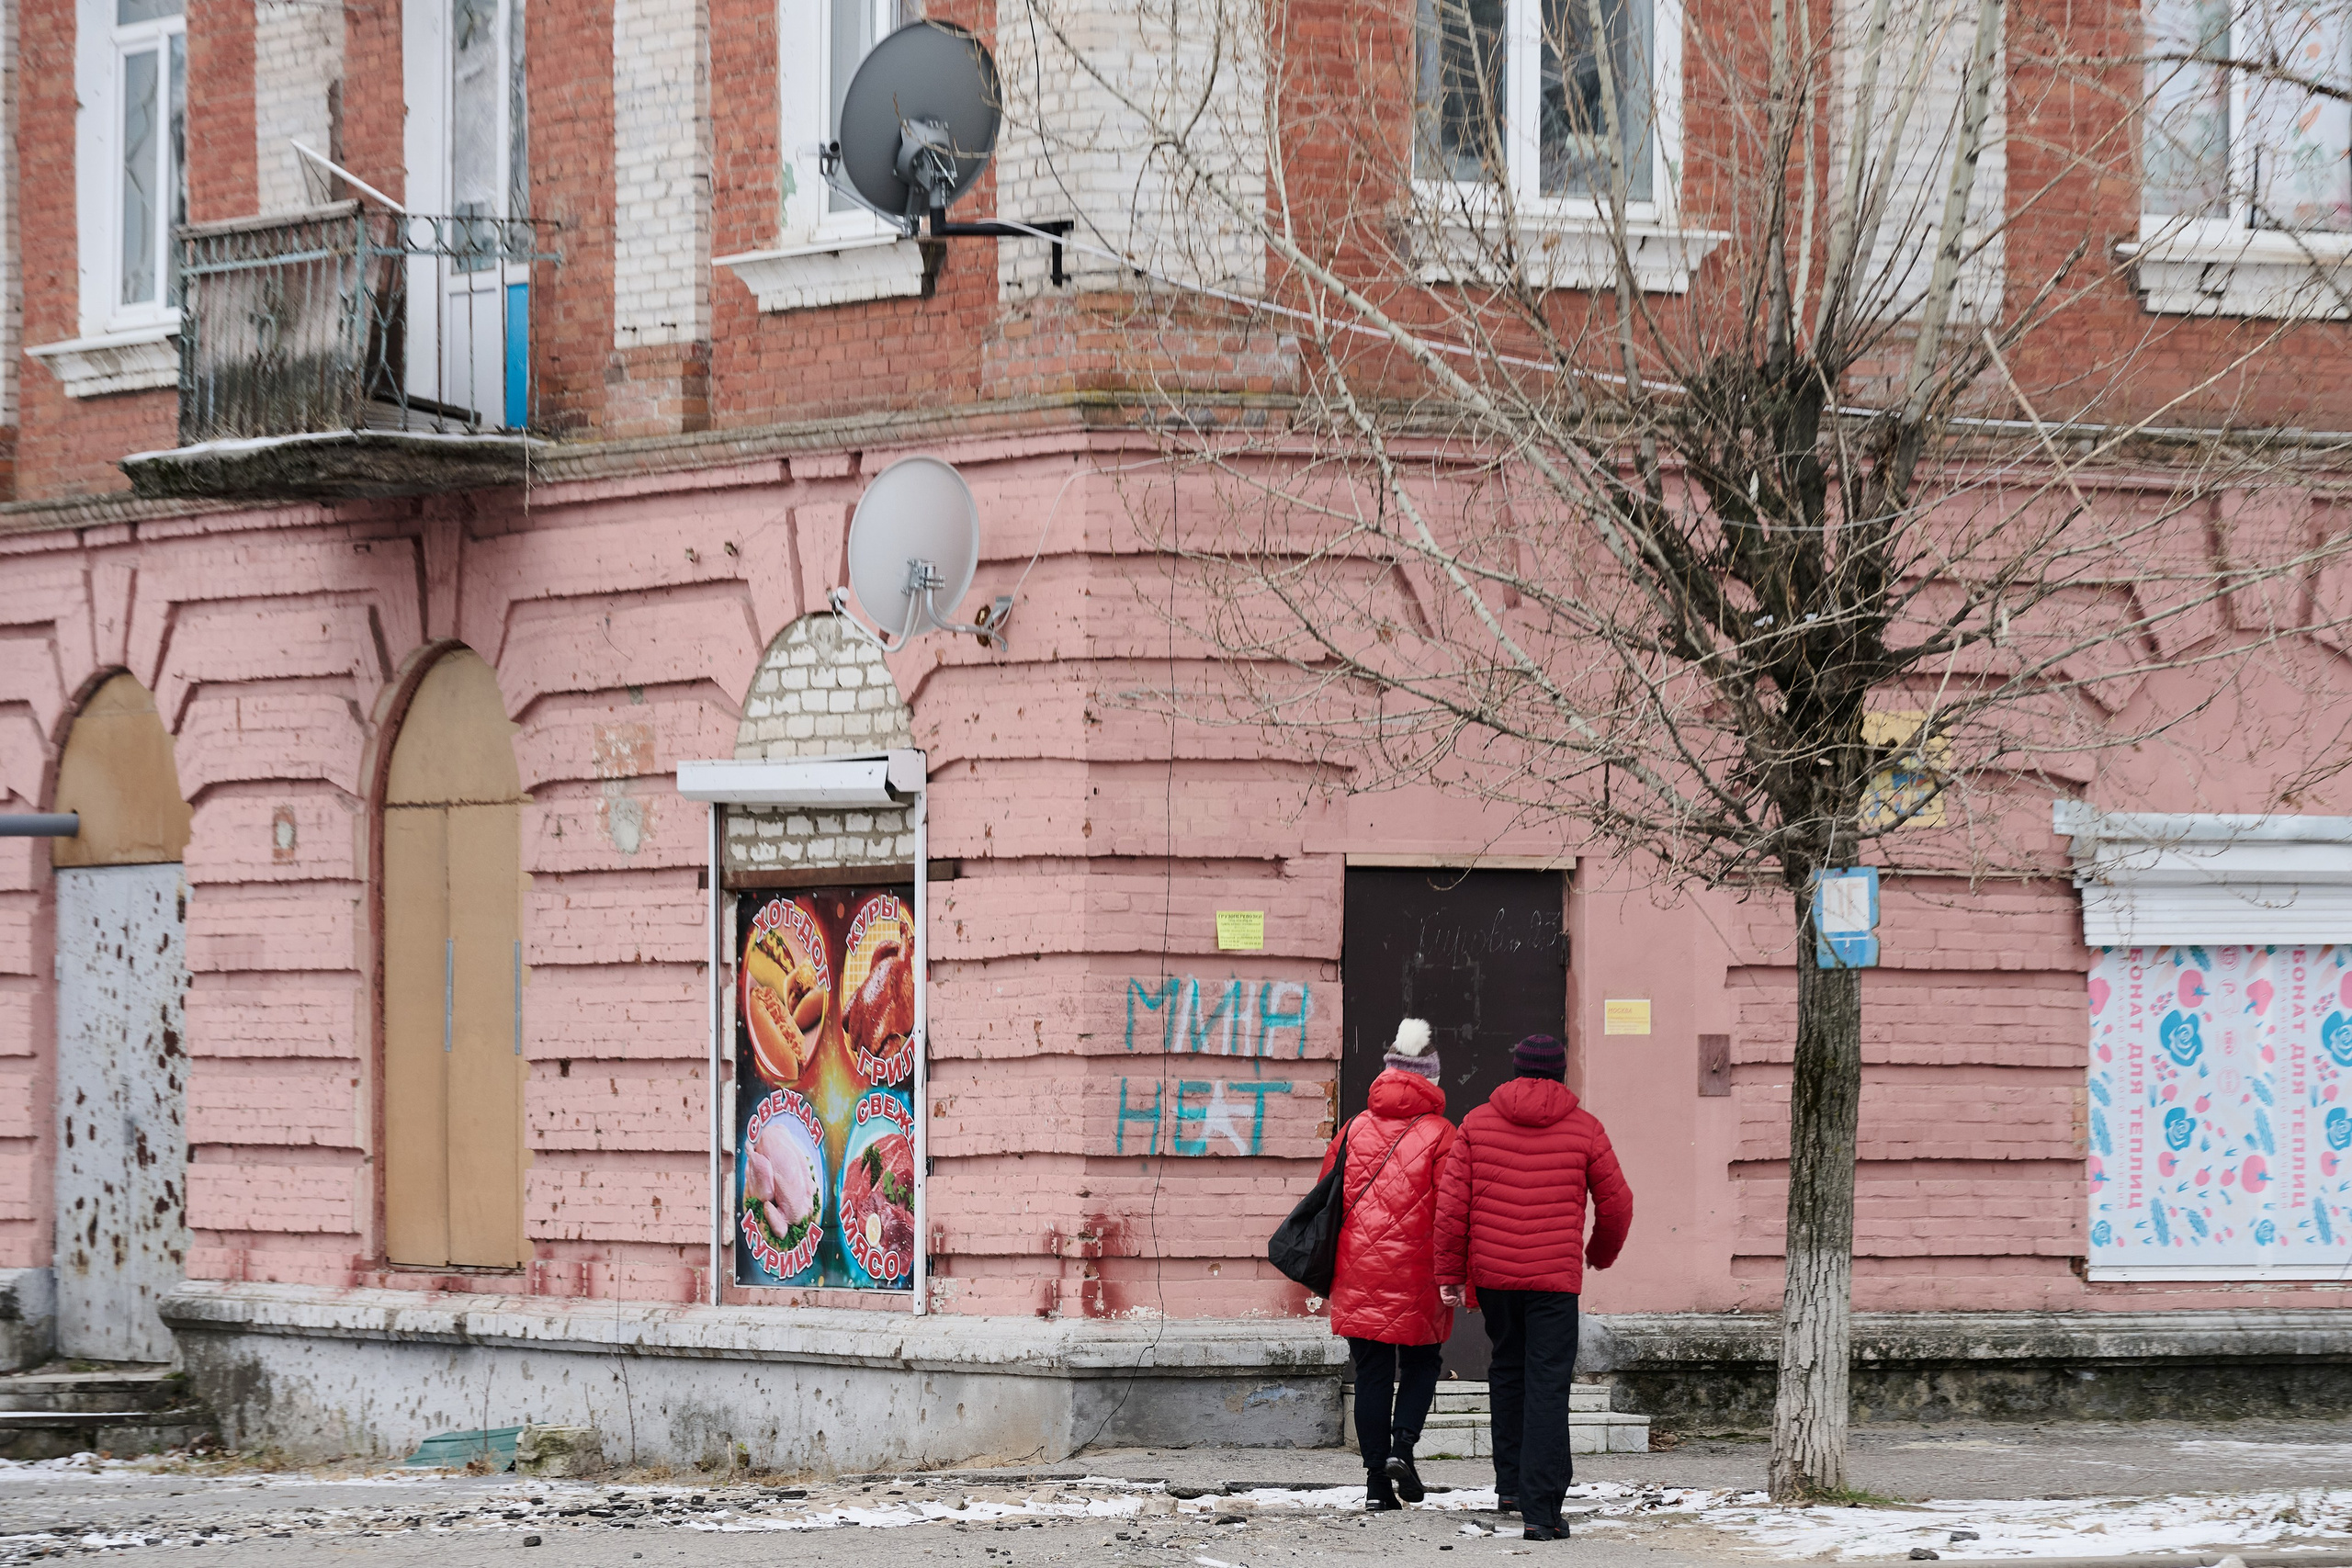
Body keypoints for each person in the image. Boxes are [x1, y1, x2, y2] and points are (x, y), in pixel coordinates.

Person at [1432, 1034, 1633, 1542]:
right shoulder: (1586, 1128)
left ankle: (1511, 1488)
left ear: (1516, 1070)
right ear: (1561, 1072)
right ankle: (1541, 1511)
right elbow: (1617, 1204)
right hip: (1554, 1282)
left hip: (1495, 1277)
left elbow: (1452, 1207)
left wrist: (1451, 1273)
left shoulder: (1477, 1123)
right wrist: (1599, 1254)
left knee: (1508, 1371)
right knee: (1547, 1384)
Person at [1317, 1018, 1457, 1512]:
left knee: (1372, 1372)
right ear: (1431, 1079)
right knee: (1422, 1363)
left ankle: (1377, 1484)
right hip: (1418, 1274)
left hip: (1357, 1271)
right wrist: (1456, 1273)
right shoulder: (1442, 1133)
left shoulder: (1353, 1127)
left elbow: (1327, 1197)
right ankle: (1403, 1449)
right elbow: (1451, 1211)